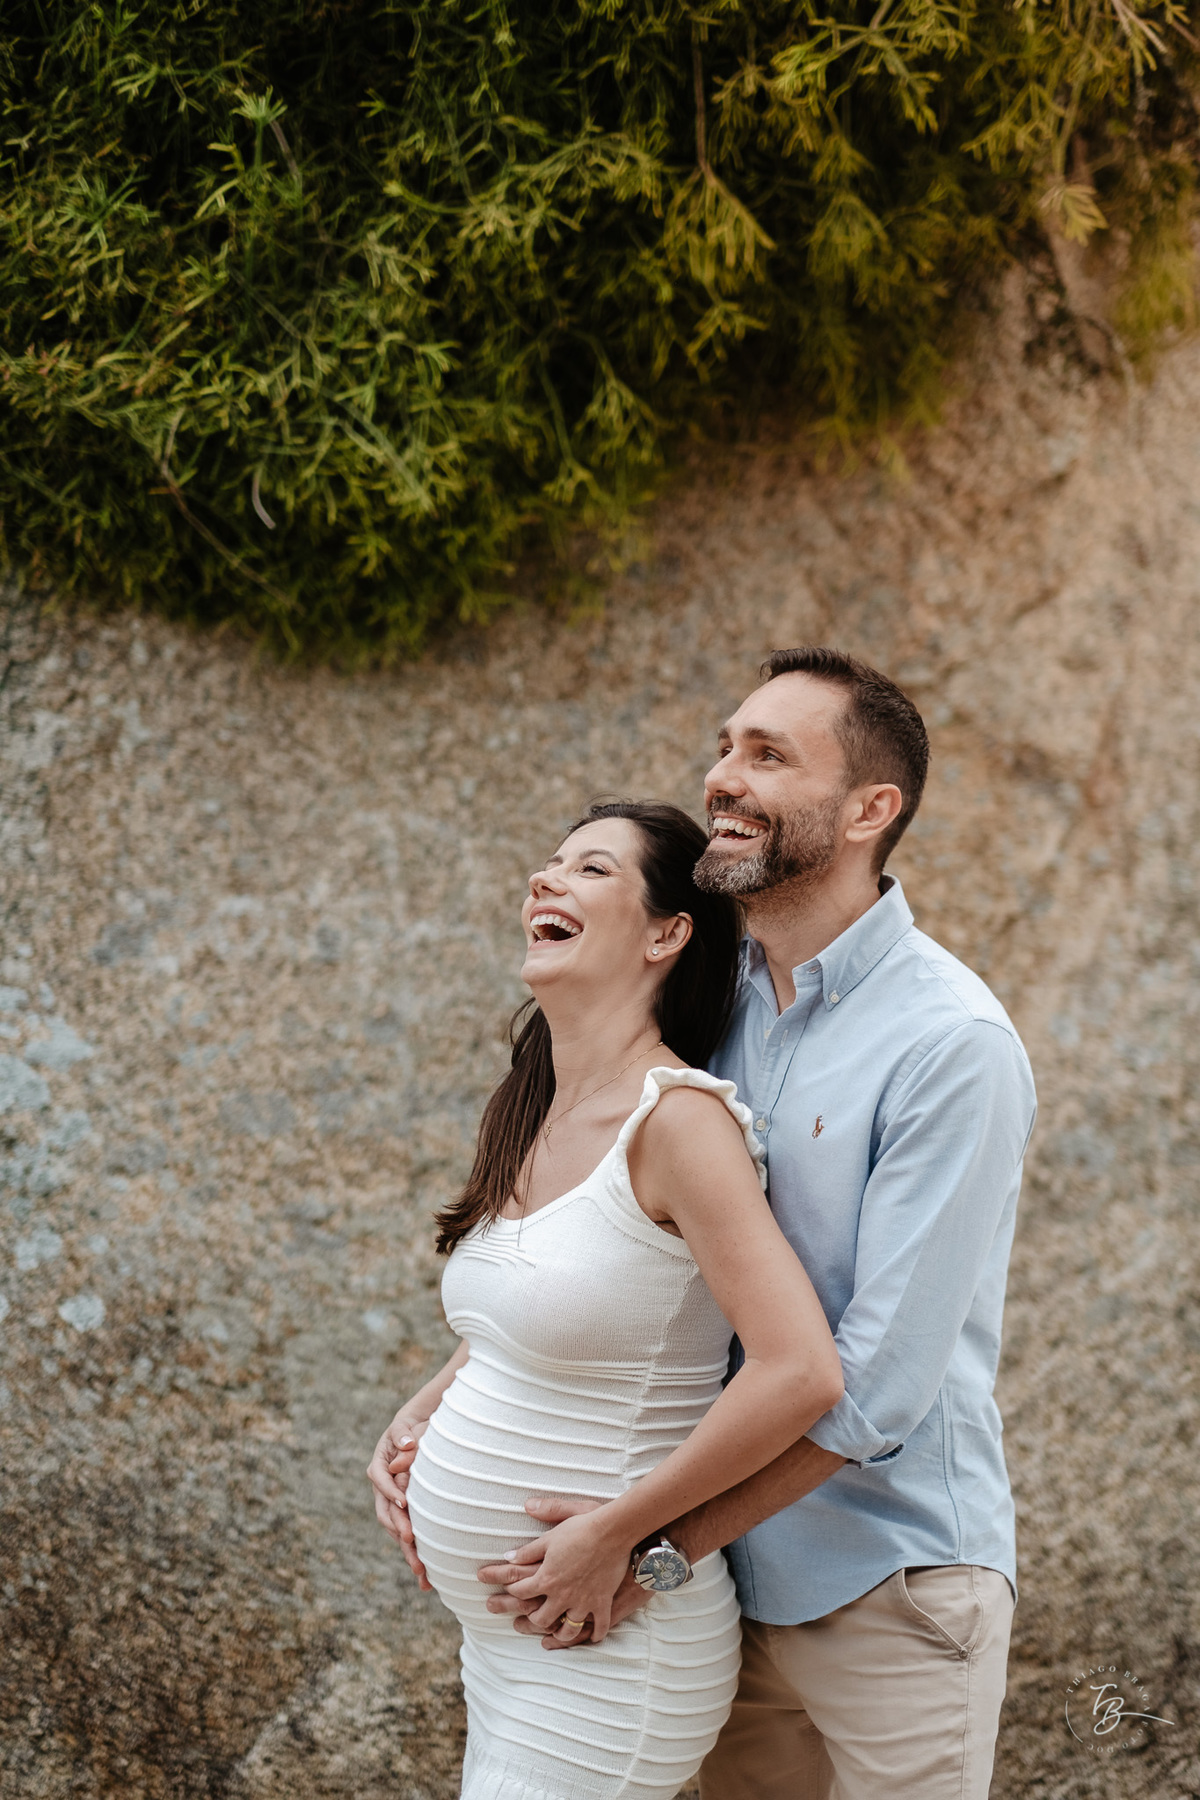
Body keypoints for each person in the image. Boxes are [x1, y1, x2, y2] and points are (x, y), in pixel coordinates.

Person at [472, 650, 1037, 1800]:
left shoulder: (952, 1045)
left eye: (768, 756)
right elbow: (619, 1248)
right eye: (727, 746)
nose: (723, 778)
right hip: (725, 1595)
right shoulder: (709, 1009)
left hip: (892, 1582)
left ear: (871, 810)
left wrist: (656, 1545)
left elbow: (877, 1382)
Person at [367, 799, 844, 1800]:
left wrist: (623, 1532)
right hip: (511, 1647)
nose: (546, 881)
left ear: (668, 933)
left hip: (611, 1650)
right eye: (547, 865)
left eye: (589, 870)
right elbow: (538, 1314)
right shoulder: (536, 1107)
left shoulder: (682, 1125)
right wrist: (421, 1413)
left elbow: (799, 1370)